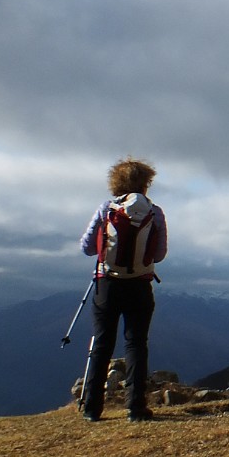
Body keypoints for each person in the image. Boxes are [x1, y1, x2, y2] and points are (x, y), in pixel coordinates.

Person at [78, 157, 168, 422]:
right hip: (140, 286)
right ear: (145, 183)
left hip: (107, 284)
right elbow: (160, 254)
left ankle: (92, 409)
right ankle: (135, 408)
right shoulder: (155, 212)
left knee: (102, 343)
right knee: (137, 344)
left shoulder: (106, 209)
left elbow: (86, 248)